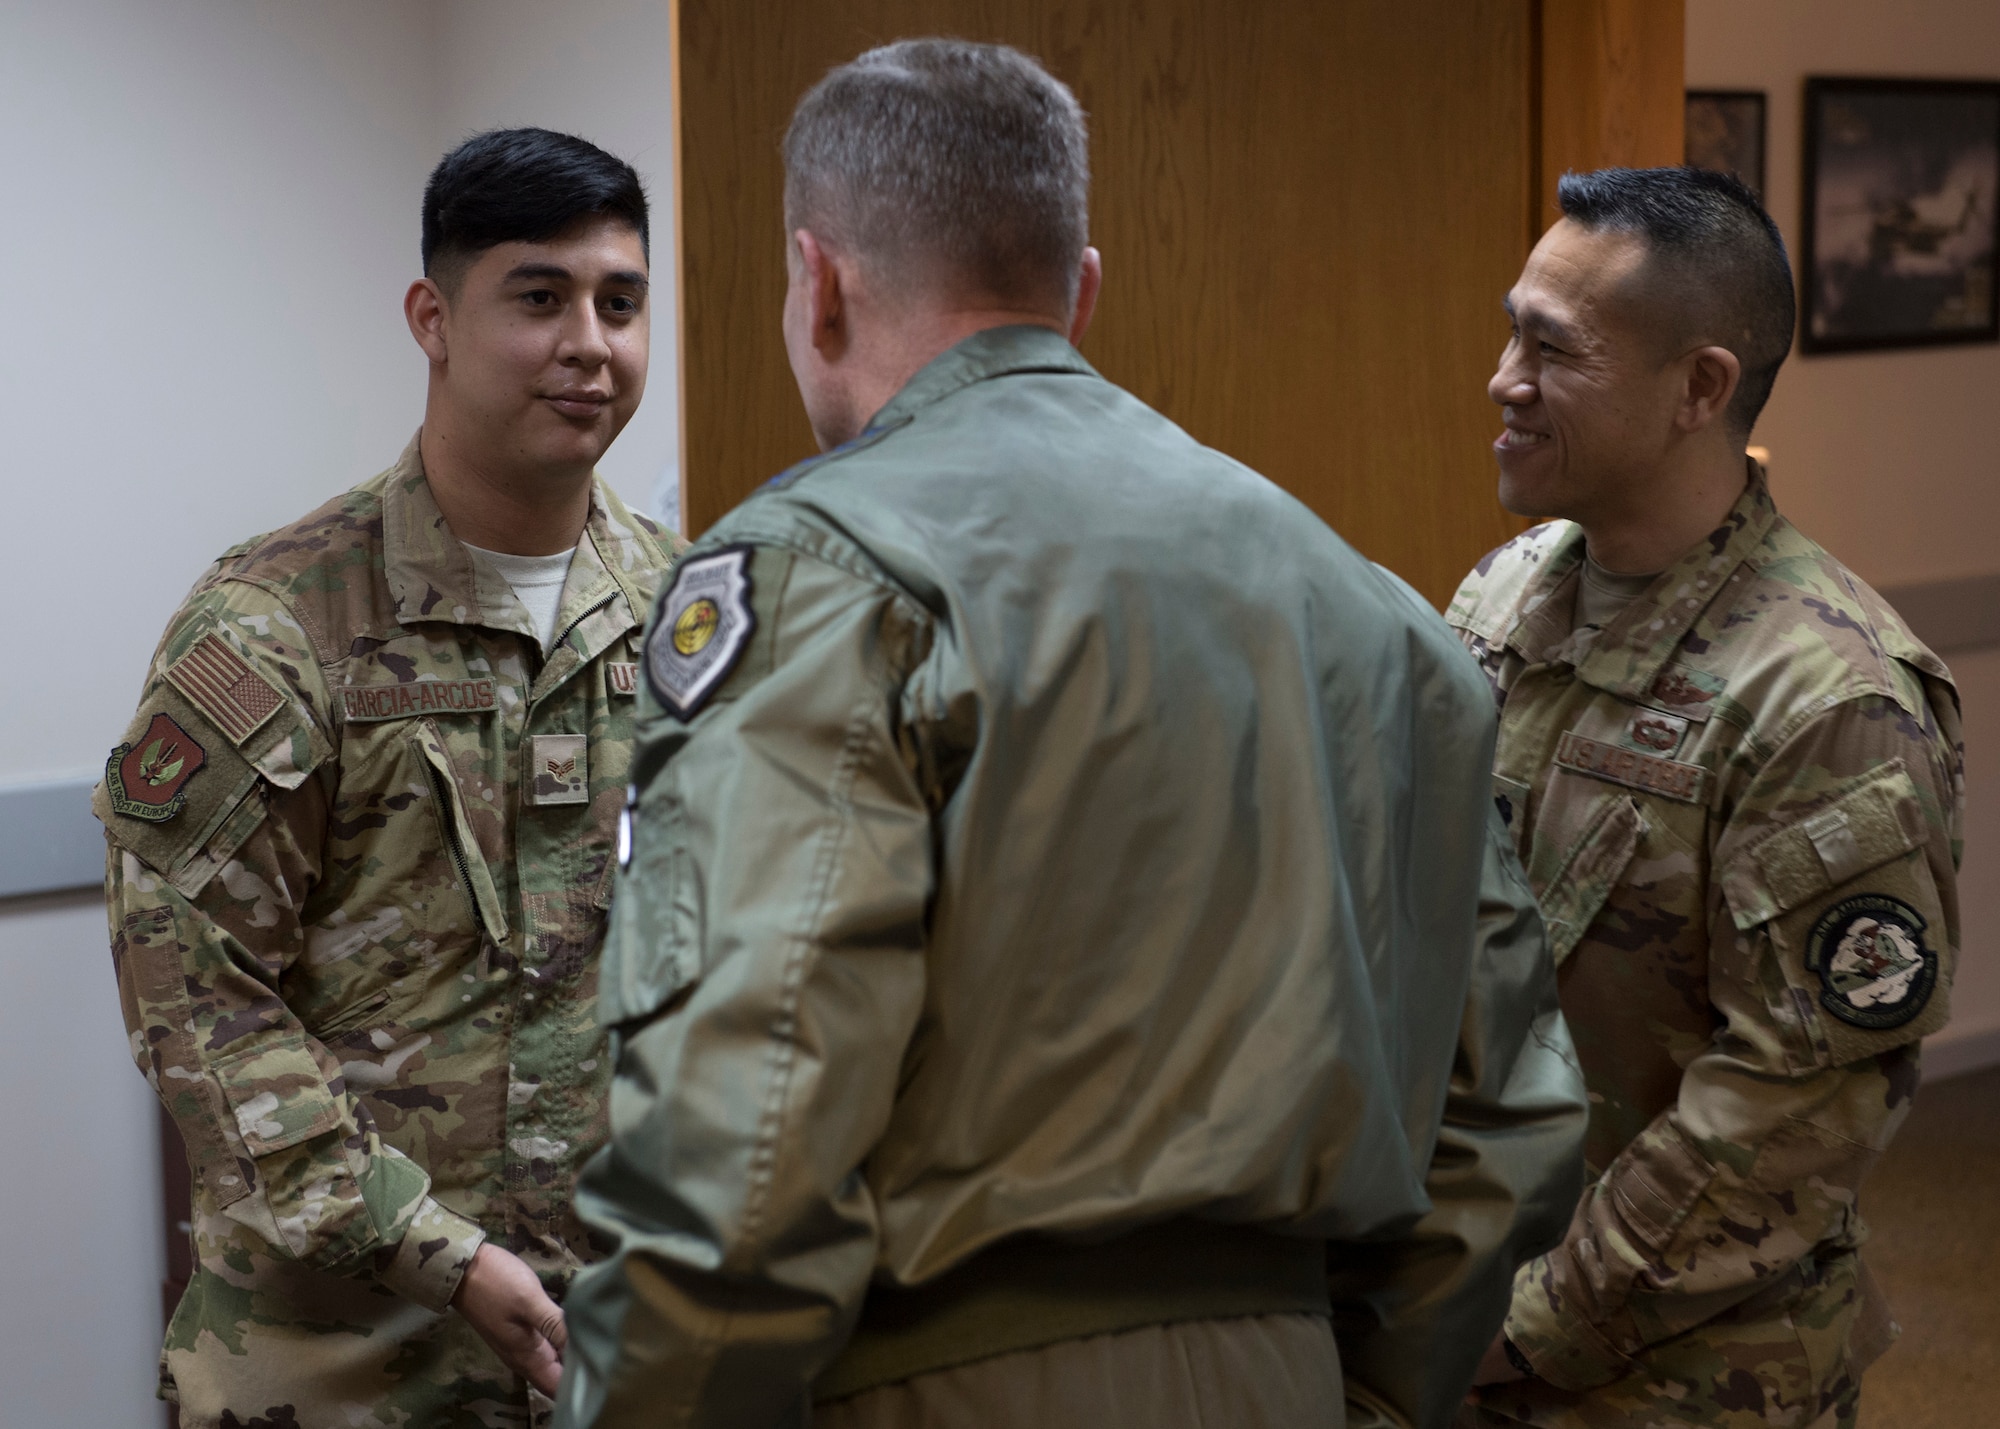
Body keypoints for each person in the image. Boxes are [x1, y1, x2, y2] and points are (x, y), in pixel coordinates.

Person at [554, 40, 1586, 1429]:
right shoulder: (1375, 612)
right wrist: (1365, 1389)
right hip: (1287, 1372)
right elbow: (1511, 1112)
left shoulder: (825, 570)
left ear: (820, 285)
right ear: (1082, 288)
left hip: (927, 1379)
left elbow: (741, 1137)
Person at [96, 127, 680, 1427]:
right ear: (434, 317)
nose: (591, 341)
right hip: (343, 1368)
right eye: (540, 297)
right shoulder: (274, 623)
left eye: (621, 302)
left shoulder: (687, 615)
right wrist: (434, 1250)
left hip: (618, 1348)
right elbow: (196, 1003)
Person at [1450, 167, 1963, 1429]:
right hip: (1468, 1303)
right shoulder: (1508, 592)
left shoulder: (1824, 699)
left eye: (1550, 347)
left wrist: (1519, 1330)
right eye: (1512, 326)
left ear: (1699, 388)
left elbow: (1788, 1110)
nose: (1501, 380)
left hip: (1680, 1377)